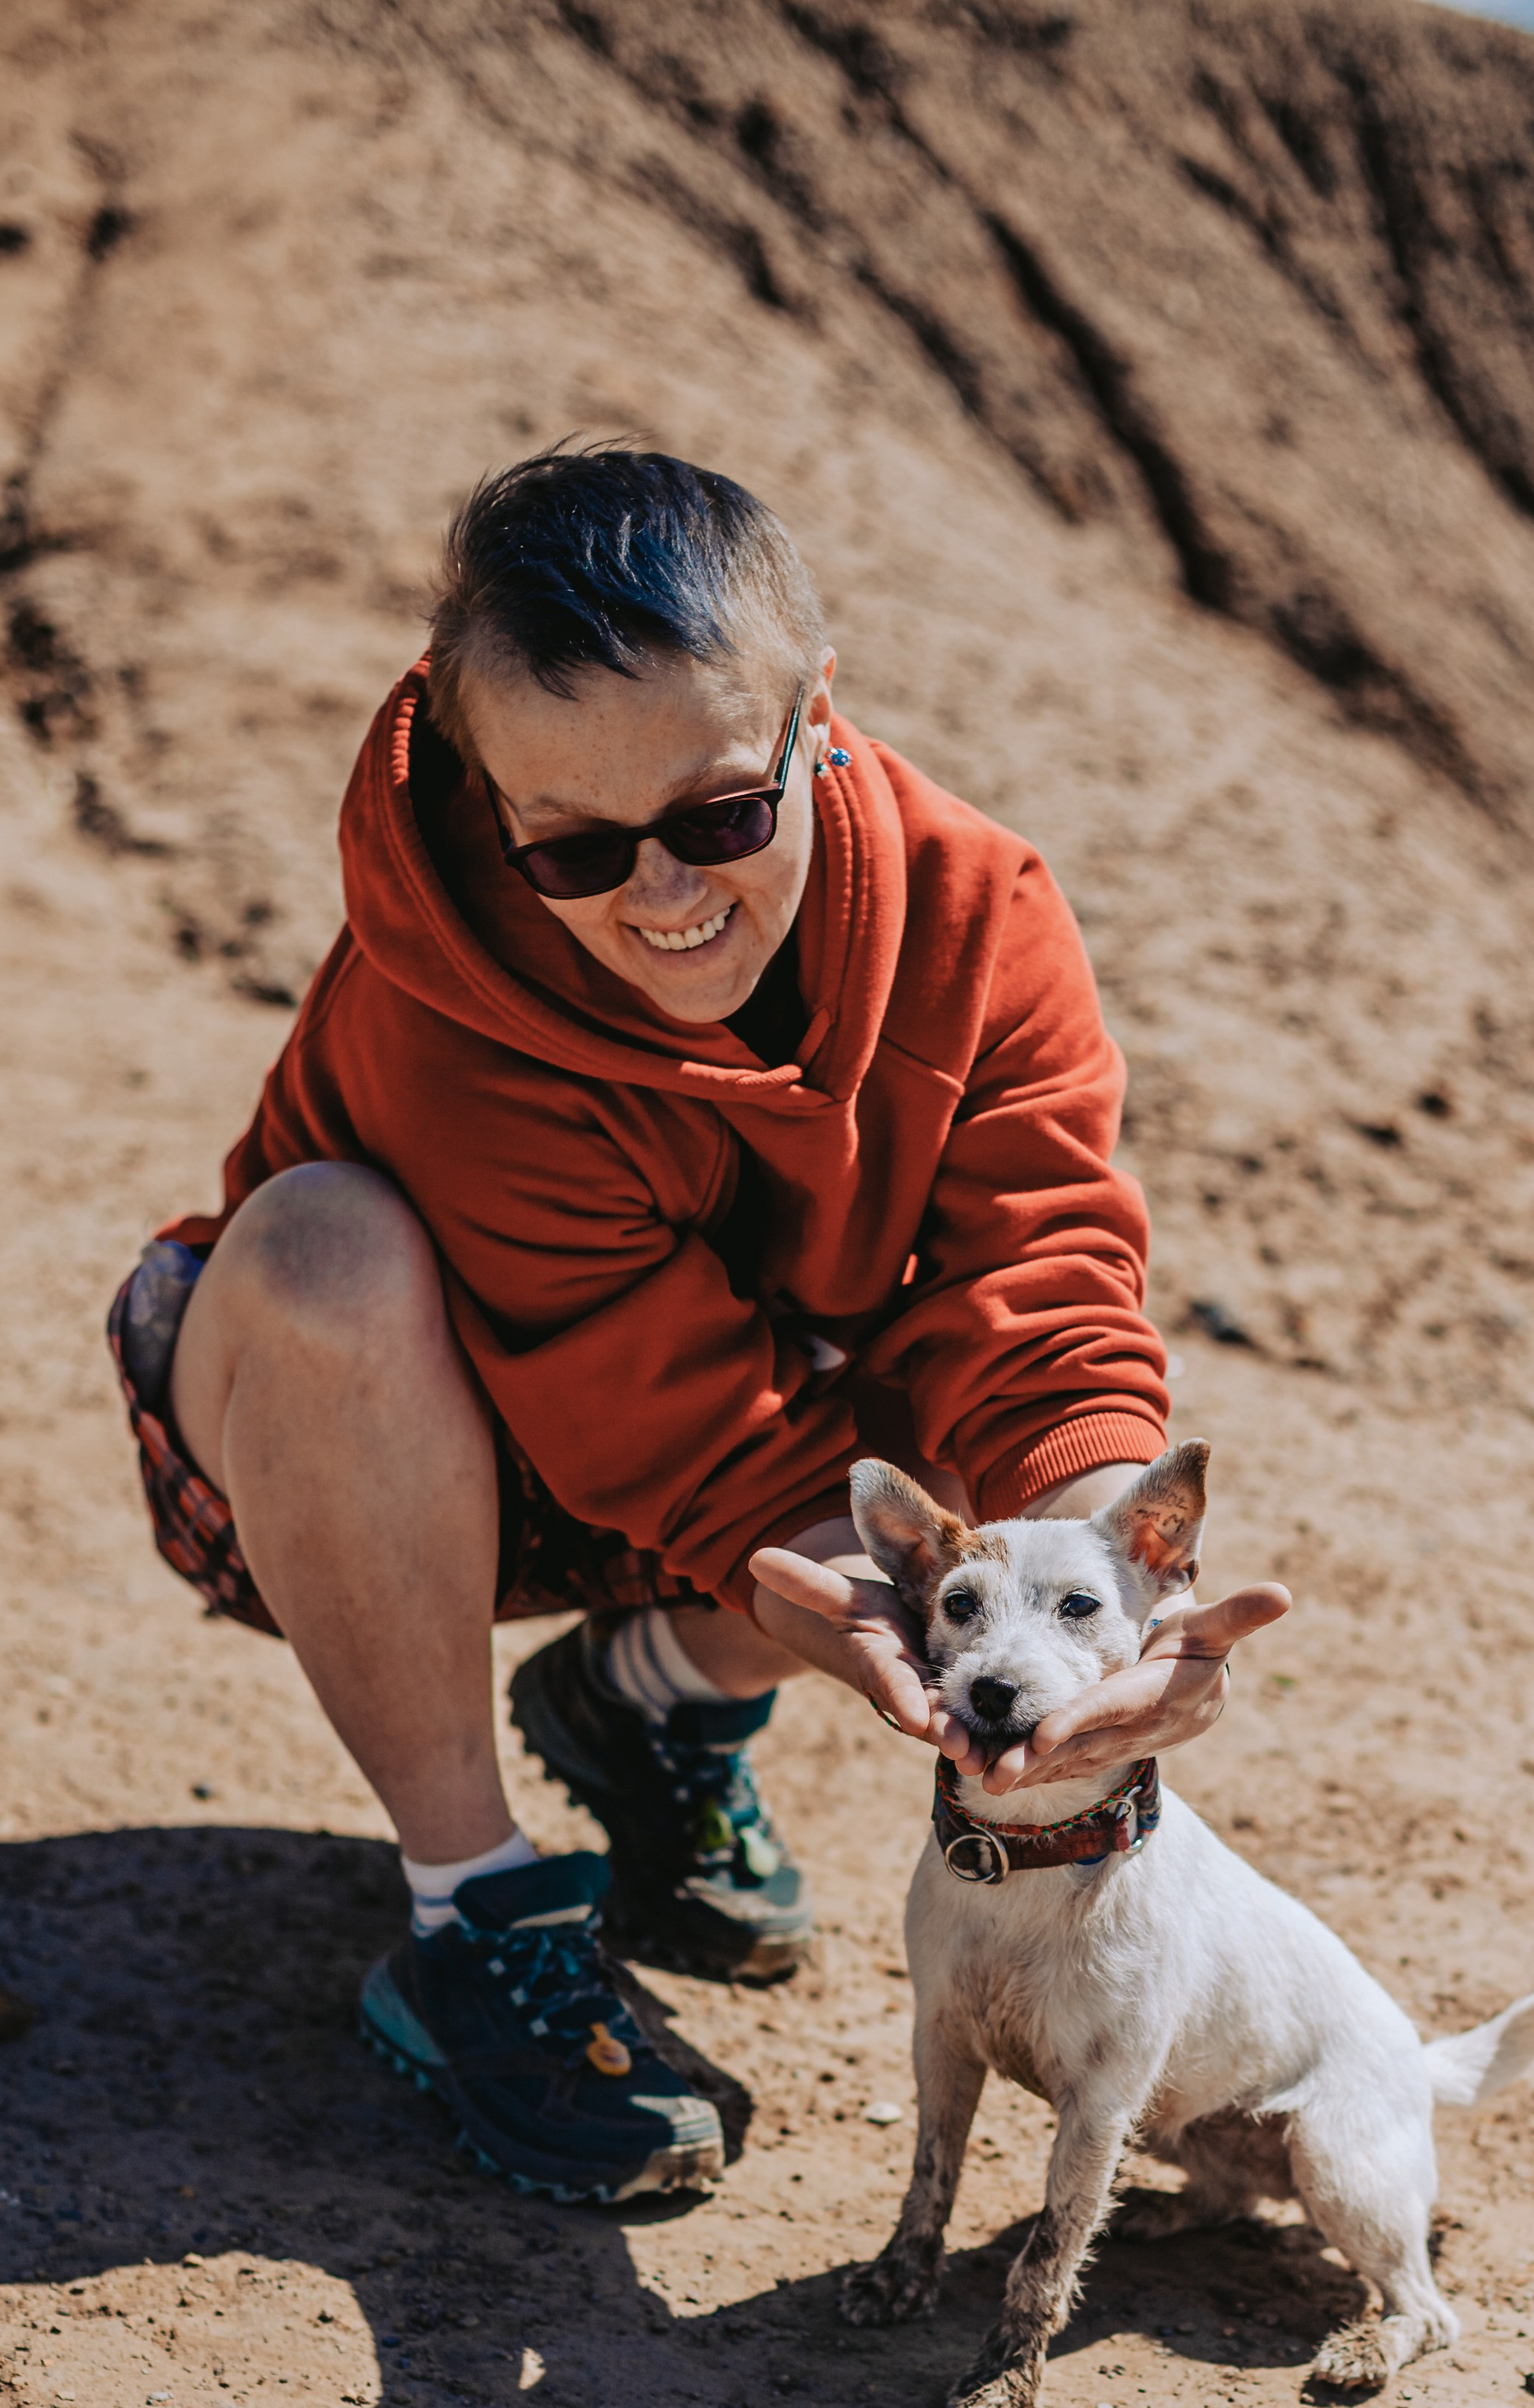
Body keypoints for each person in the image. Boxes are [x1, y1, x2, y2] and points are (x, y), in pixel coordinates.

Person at [109, 445, 1285, 2207]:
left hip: (686, 1416)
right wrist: (854, 1590)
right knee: (323, 1251)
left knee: (974, 1465)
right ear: (492, 797)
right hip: (356, 1447)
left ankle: (645, 1710)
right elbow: (657, 1417)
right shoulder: (450, 1000)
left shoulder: (981, 913)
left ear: (818, 712)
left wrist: (1109, 1580)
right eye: (575, 847)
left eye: (720, 815)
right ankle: (468, 1910)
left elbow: (1033, 1295)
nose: (661, 894)